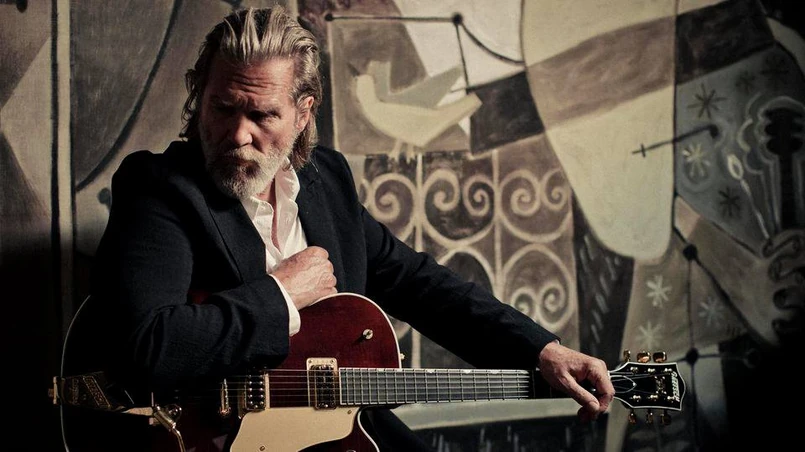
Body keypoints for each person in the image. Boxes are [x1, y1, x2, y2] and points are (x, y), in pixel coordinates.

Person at [62, 6, 614, 452]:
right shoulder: (160, 188)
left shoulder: (325, 179)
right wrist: (282, 295)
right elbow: (148, 345)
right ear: (199, 96)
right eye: (222, 108)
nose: (237, 134)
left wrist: (540, 349)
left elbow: (418, 283)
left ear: (303, 113)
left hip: (338, 430)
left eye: (262, 115)